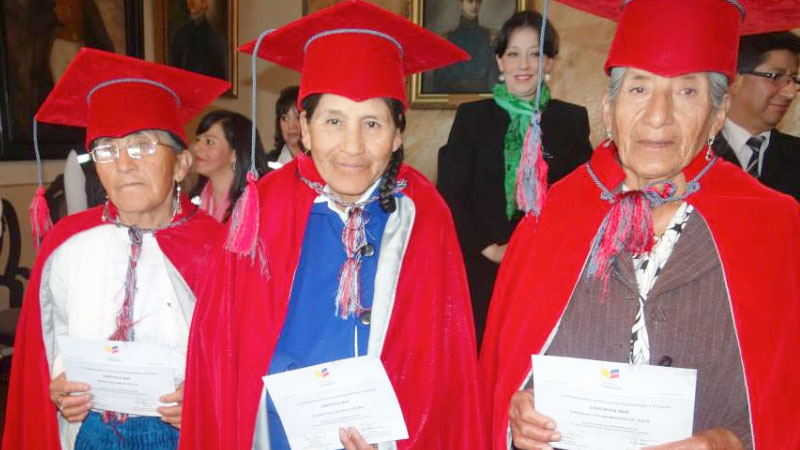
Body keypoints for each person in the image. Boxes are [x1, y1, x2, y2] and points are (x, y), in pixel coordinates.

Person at [480, 0, 800, 449]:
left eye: (687, 91)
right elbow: (506, 365)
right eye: (639, 89)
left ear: (718, 111)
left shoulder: (775, 226)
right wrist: (520, 414)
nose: (657, 115)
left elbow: (787, 396)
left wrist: (731, 442)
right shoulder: (554, 215)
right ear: (609, 108)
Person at [180, 1, 484, 449]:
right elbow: (225, 342)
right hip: (280, 431)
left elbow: (444, 360)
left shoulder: (424, 213)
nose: (352, 146)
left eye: (373, 123)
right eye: (333, 121)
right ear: (304, 125)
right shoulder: (265, 206)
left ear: (399, 132)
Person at [1, 48, 229, 450]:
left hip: (180, 434)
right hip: (91, 431)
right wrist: (60, 383)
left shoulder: (218, 248)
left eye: (142, 146)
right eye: (106, 150)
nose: (123, 164)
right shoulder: (67, 243)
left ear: (180, 165)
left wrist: (206, 395)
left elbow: (239, 354)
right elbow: (54, 336)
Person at [437, 10, 592, 349]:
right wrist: (491, 249)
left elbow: (582, 201)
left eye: (535, 53)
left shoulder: (571, 121)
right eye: (513, 53)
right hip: (481, 268)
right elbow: (449, 195)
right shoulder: (472, 118)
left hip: (547, 271)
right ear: (500, 61)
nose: (524, 64)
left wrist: (541, 251)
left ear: (549, 61)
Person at [713, 31, 800, 201]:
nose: (790, 93)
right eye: (775, 77)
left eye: (793, 79)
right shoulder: (695, 151)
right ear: (734, 80)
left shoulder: (795, 154)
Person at [189, 110, 270, 222]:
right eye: (198, 140)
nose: (197, 148)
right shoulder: (193, 197)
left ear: (235, 154)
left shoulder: (256, 204)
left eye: (209, 142)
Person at [434, 0, 495, 93]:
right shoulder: (446, 38)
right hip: (452, 96)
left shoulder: (490, 36)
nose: (474, 6)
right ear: (461, 4)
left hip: (483, 94)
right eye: (470, 1)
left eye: (478, 2)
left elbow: (494, 74)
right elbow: (440, 80)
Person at [169, 0, 227, 79]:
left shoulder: (214, 37)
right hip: (184, 87)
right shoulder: (179, 35)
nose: (191, 1)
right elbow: (173, 71)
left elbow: (220, 76)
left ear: (205, 2)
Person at [266, 85, 302, 168]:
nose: (292, 126)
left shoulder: (322, 163)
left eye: (298, 117)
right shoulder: (267, 163)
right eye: (285, 118)